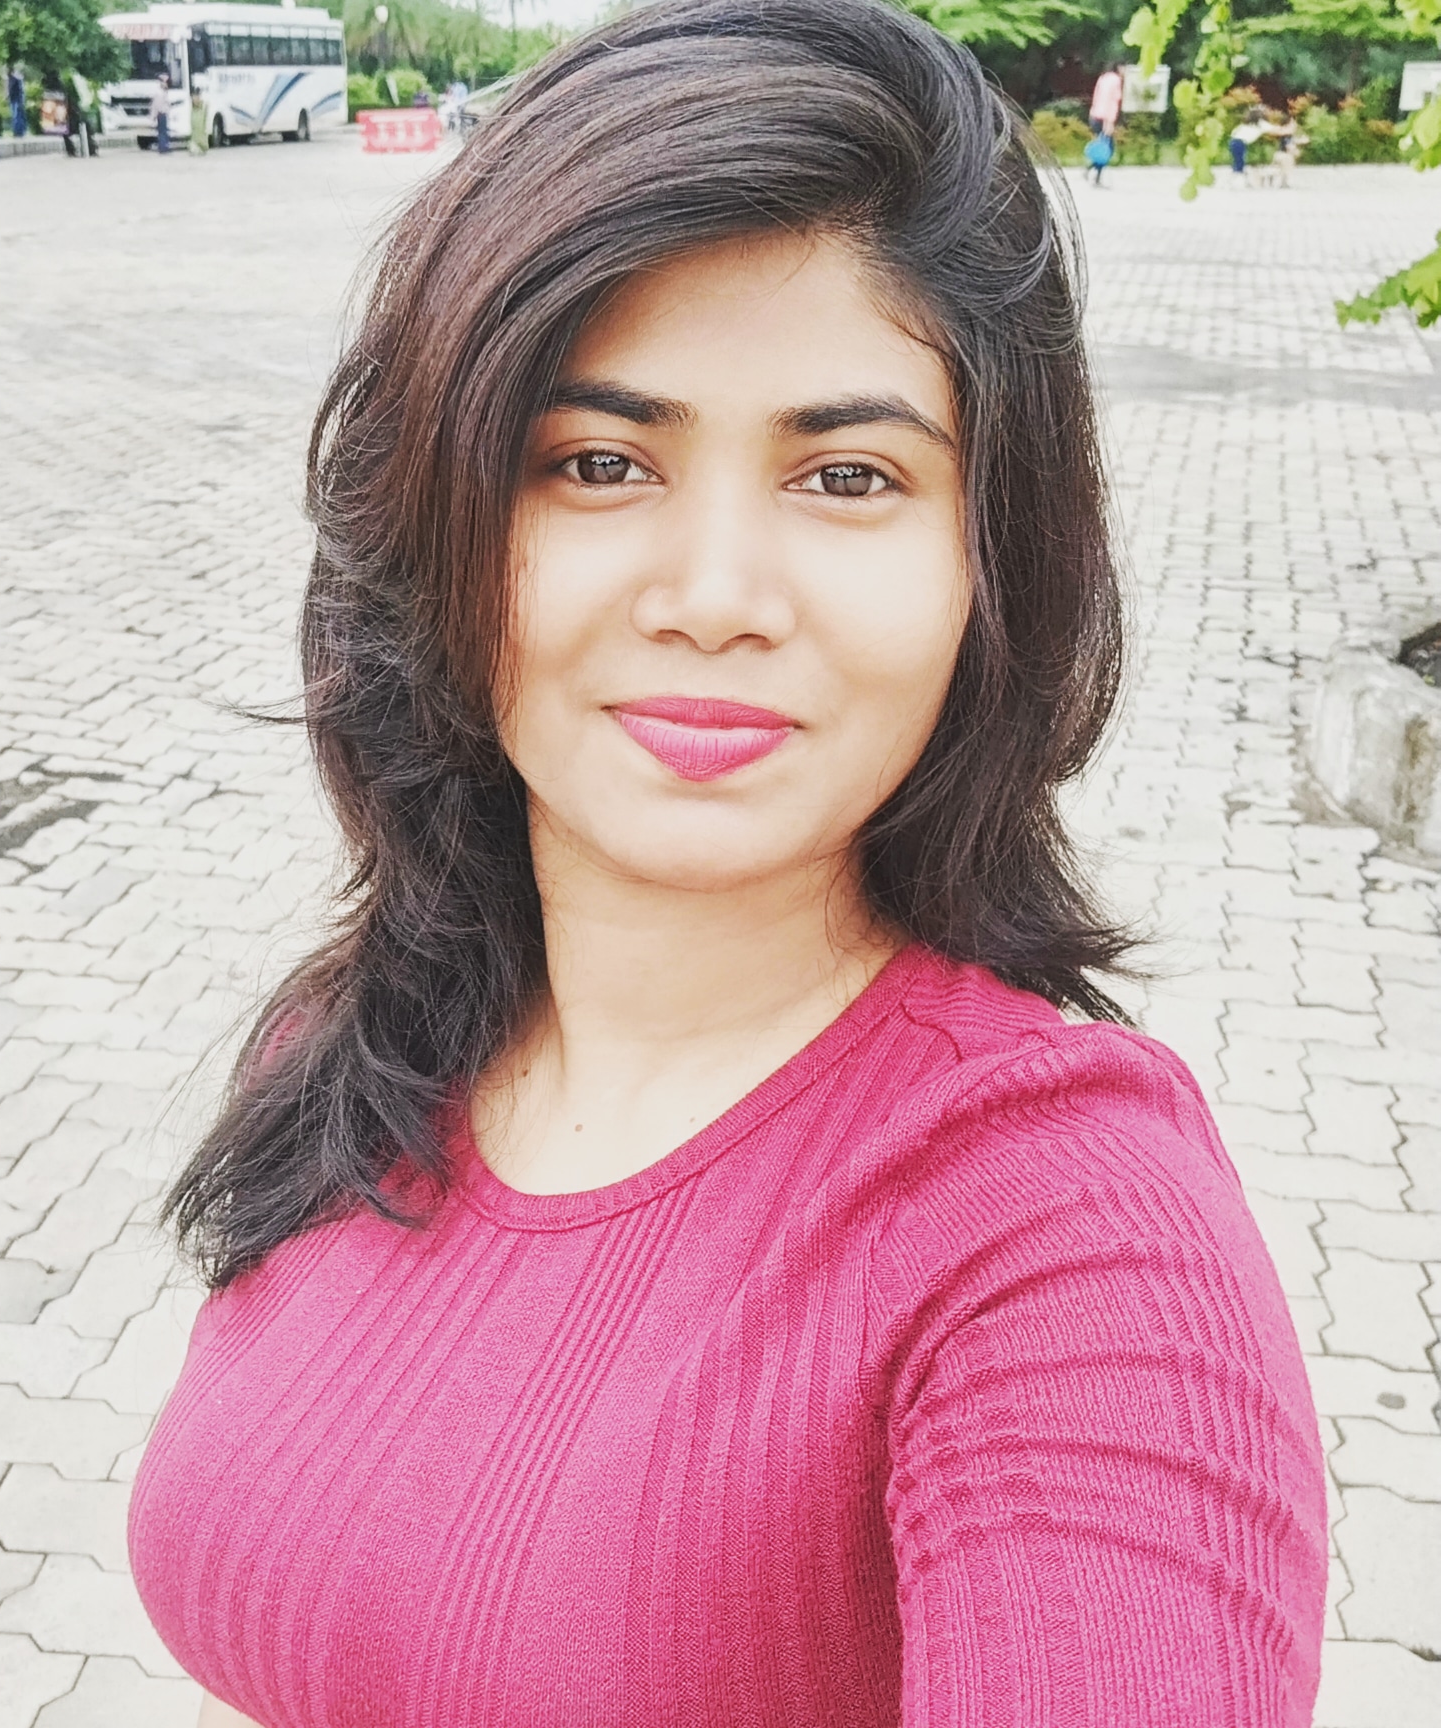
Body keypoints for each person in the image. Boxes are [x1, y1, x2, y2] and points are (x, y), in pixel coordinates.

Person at [127, 4, 1328, 1725]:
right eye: (598, 462)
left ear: (991, 562)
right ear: (442, 520)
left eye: (845, 475)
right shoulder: (355, 1041)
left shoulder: (1063, 1235)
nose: (713, 595)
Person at [1089, 60, 1123, 138]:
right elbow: (1113, 100)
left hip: (1094, 115)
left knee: (1098, 141)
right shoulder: (1116, 79)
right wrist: (1110, 122)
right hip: (1105, 119)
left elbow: (1096, 97)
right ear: (1119, 68)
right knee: (1106, 143)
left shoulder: (1102, 77)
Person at [150, 72, 172, 153]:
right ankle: (163, 147)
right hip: (161, 114)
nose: (167, 84)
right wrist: (154, 116)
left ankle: (164, 146)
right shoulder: (160, 93)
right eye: (165, 82)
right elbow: (156, 106)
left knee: (163, 131)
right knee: (162, 131)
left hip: (163, 114)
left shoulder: (163, 92)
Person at [7, 66, 27, 138]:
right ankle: (18, 132)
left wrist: (21, 101)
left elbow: (20, 91)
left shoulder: (16, 80)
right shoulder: (12, 80)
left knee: (17, 116)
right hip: (14, 100)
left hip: (17, 100)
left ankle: (19, 132)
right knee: (16, 116)